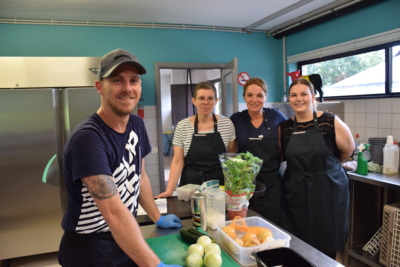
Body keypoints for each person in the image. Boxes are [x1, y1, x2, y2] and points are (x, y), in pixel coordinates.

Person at [58, 49, 182, 267]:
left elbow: (140, 176)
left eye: (134, 80)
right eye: (117, 80)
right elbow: (113, 213)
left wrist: (157, 217)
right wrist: (155, 265)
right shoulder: (88, 138)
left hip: (126, 234)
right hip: (90, 247)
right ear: (100, 87)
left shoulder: (136, 124)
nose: (127, 88)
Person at [279, 78, 354, 259]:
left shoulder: (330, 122)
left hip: (328, 191)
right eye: (294, 95)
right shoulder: (285, 128)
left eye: (304, 94)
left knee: (327, 240)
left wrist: (324, 168)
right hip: (297, 192)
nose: (299, 99)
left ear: (313, 97)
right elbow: (283, 155)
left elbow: (347, 150)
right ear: (289, 99)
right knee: (299, 243)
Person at [156, 82, 236, 198]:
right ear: (193, 100)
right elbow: (177, 161)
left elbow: (231, 158)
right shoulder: (182, 126)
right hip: (190, 185)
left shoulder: (226, 124)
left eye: (210, 98)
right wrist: (169, 190)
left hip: (219, 185)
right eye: (201, 98)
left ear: (216, 101)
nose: (206, 102)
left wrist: (233, 186)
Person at [230, 78, 287, 225]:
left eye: (259, 95)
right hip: (245, 183)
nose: (254, 100)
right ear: (244, 97)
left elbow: (294, 131)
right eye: (250, 95)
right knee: (246, 223)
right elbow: (230, 150)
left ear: (265, 97)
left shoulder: (276, 116)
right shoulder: (236, 119)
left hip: (273, 182)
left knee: (272, 224)